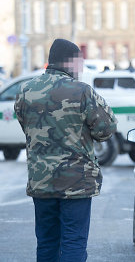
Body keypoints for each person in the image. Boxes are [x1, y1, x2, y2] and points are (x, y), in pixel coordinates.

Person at [14, 38, 118, 262]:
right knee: (73, 242)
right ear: (70, 63)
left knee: (46, 242)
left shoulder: (25, 91)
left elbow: (26, 127)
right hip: (76, 184)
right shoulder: (82, 91)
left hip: (41, 181)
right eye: (79, 63)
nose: (81, 68)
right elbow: (106, 129)